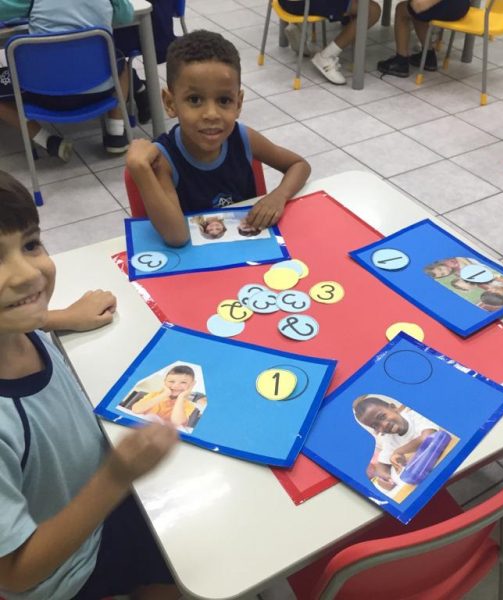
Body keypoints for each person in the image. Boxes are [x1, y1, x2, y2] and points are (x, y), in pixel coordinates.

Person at [0, 170, 181, 600]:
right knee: (188, 562)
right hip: (67, 570)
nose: (28, 274)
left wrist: (62, 317)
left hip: (93, 494)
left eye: (30, 244)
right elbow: (15, 574)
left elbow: (29, 315)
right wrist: (117, 475)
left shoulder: (18, 325)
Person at [126, 30, 311, 247]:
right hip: (197, 262)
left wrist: (279, 196)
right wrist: (140, 169)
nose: (211, 114)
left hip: (250, 252)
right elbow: (177, 236)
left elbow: (299, 165)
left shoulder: (243, 137)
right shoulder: (164, 160)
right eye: (195, 99)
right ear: (170, 103)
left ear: (238, 103)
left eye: (224, 100)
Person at [0, 0, 134, 157]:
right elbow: (126, 16)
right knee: (121, 63)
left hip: (43, 94)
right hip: (98, 91)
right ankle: (116, 133)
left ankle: (48, 141)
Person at [279, 0, 381, 85]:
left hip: (285, 3)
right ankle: (326, 57)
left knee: (356, 5)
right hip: (303, 4)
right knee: (372, 10)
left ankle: (299, 27)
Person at [353, 395, 437, 491]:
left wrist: (398, 451)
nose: (384, 425)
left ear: (393, 408)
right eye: (375, 426)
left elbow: (428, 437)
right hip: (423, 479)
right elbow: (381, 465)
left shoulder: (415, 415)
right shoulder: (388, 439)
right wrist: (385, 478)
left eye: (382, 416)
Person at [377, 0, 470, 78]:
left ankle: (401, 61)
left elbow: (418, 5)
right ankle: (428, 56)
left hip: (446, 6)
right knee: (417, 11)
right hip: (461, 7)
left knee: (402, 9)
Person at [130, 364, 207, 428]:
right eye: (171, 381)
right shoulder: (154, 395)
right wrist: (165, 394)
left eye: (183, 382)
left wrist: (181, 397)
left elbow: (177, 422)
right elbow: (136, 410)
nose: (176, 386)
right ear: (164, 382)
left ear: (191, 385)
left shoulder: (188, 405)